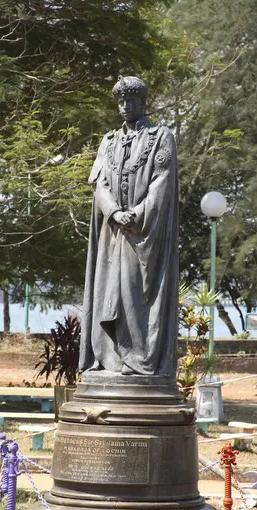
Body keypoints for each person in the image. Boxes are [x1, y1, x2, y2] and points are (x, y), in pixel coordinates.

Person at [78, 76, 179, 377]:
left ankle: (137, 358)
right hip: (112, 234)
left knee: (135, 294)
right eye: (120, 101)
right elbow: (100, 184)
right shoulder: (108, 141)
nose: (124, 106)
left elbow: (162, 183)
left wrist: (135, 215)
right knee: (109, 293)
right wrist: (113, 212)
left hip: (143, 234)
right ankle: (109, 358)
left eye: (130, 100)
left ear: (142, 102)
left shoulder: (160, 137)